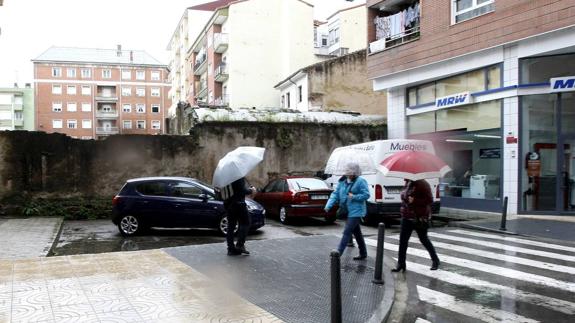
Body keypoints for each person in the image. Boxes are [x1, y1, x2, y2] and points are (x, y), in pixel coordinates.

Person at [324, 163, 370, 260]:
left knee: (347, 231)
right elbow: (335, 194)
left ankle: (338, 253)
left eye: (350, 171)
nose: (347, 173)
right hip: (347, 210)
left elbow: (366, 195)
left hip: (357, 211)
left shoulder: (361, 181)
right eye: (347, 171)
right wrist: (328, 205)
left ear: (355, 172)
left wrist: (354, 196)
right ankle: (363, 253)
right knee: (357, 233)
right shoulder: (343, 181)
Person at [392, 179, 440, 272]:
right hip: (406, 216)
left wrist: (415, 200)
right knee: (403, 241)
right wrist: (405, 197)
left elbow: (429, 200)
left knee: (424, 239)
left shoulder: (423, 184)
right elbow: (404, 197)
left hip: (419, 217)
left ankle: (435, 260)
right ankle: (401, 264)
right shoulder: (408, 183)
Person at [224, 177, 255, 256]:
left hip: (228, 204)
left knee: (231, 226)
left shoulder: (225, 176)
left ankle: (231, 249)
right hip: (238, 204)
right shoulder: (237, 176)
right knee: (246, 222)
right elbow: (241, 191)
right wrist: (251, 190)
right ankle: (240, 245)